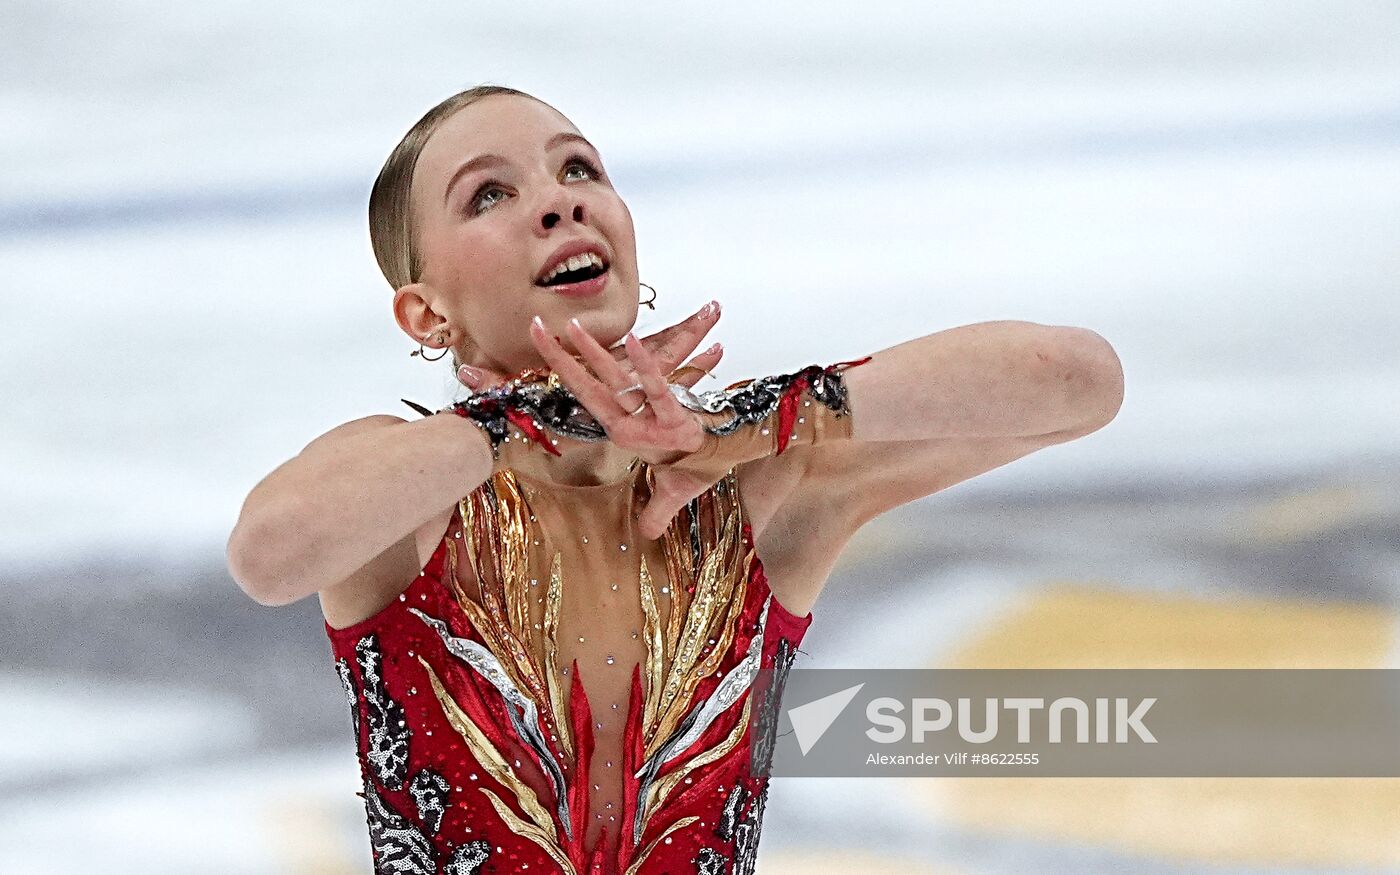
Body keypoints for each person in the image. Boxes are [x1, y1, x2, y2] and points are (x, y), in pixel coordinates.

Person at [225, 84, 1124, 875]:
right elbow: (270, 553)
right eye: (491, 194)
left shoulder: (753, 489)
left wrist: (750, 421)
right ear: (426, 313)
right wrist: (534, 421)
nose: (559, 205)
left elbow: (1079, 382)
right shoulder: (410, 502)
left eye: (579, 171)